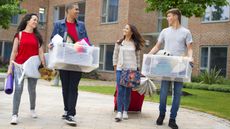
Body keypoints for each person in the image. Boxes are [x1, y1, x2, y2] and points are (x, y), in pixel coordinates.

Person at [148, 8, 193, 129]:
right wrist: (148, 56)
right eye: (167, 16)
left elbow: (189, 48)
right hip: (166, 65)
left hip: (180, 65)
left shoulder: (186, 32)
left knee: (177, 94)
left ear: (176, 17)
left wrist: (191, 58)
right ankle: (161, 115)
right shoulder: (164, 31)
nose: (167, 18)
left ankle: (172, 119)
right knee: (163, 93)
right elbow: (157, 46)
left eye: (169, 16)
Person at [49, 2, 89, 126]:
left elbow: (86, 40)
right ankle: (67, 109)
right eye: (76, 9)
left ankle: (71, 114)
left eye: (78, 10)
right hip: (64, 61)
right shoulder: (58, 24)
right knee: (65, 87)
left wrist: (89, 47)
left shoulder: (81, 25)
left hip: (77, 61)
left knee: (73, 87)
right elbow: (53, 39)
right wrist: (51, 44)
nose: (78, 11)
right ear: (69, 10)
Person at [7, 13, 46, 125]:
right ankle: (14, 115)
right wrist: (10, 67)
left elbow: (40, 52)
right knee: (18, 90)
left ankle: (32, 109)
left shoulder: (37, 37)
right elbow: (14, 52)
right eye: (34, 19)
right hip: (19, 65)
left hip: (33, 67)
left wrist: (43, 65)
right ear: (27, 21)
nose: (36, 22)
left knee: (32, 89)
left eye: (37, 21)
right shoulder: (18, 35)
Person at [113, 24, 144, 122]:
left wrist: (138, 69)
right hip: (120, 69)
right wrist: (115, 65)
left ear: (131, 32)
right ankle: (119, 112)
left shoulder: (135, 44)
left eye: (126, 28)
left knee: (127, 92)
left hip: (132, 70)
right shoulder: (119, 43)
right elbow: (115, 55)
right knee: (120, 91)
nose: (124, 29)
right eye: (124, 28)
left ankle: (125, 111)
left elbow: (138, 58)